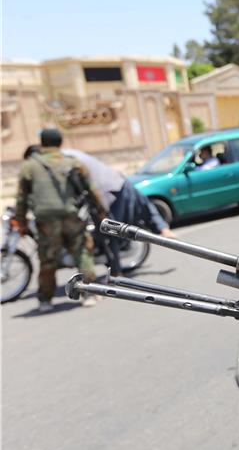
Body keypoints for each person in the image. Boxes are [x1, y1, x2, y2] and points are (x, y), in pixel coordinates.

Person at [15, 128, 104, 312]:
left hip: (46, 221)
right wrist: (102, 212)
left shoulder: (29, 166)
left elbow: (21, 199)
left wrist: (22, 224)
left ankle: (45, 301)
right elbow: (92, 190)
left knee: (48, 260)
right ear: (60, 142)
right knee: (82, 254)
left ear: (41, 143)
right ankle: (89, 294)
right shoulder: (73, 163)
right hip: (72, 217)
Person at [61, 148, 176, 275]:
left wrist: (100, 211)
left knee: (112, 231)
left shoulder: (67, 158)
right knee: (106, 230)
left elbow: (90, 186)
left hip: (112, 190)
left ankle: (116, 272)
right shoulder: (66, 156)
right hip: (103, 192)